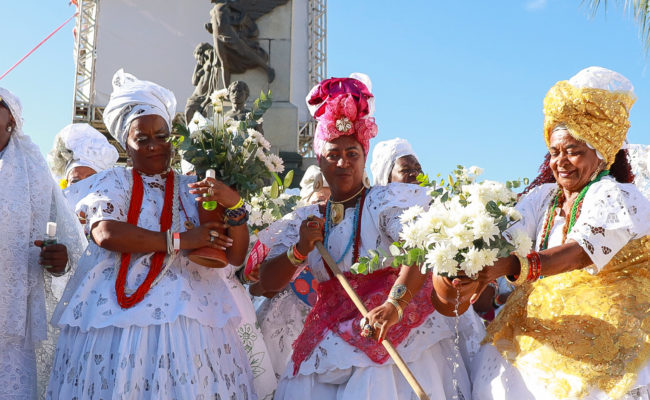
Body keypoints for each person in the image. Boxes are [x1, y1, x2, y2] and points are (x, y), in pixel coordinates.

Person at [256, 74, 477, 399]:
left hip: (391, 331)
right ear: (319, 158)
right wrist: (300, 249)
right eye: (333, 155)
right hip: (326, 337)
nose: (343, 162)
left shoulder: (386, 203)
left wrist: (394, 305)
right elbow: (268, 282)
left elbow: (419, 250)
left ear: (364, 157)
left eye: (352, 153)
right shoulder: (306, 218)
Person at [47, 70, 256, 399]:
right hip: (113, 319)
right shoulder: (115, 182)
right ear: (125, 146)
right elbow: (104, 232)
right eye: (142, 139)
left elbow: (235, 256)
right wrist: (181, 241)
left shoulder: (194, 187)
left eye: (162, 136)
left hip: (190, 318)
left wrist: (236, 207)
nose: (155, 146)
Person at [448, 67, 650, 399]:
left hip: (604, 327)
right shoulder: (543, 197)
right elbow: (508, 236)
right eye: (555, 152)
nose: (561, 162)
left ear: (600, 155)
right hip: (533, 320)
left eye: (573, 151)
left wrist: (512, 267)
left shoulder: (616, 196)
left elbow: (579, 252)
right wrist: (472, 257)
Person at [0, 88, 86, 399]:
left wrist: (58, 259)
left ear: (11, 118)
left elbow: (66, 245)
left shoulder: (34, 171)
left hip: (13, 322)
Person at [249, 165, 330, 378]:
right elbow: (260, 289)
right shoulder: (289, 232)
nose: (324, 210)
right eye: (319, 202)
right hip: (281, 334)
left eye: (332, 203)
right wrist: (299, 252)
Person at [48, 123, 119, 222]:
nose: (83, 186)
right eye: (76, 181)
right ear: (65, 184)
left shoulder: (114, 221)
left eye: (91, 180)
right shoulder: (51, 221)